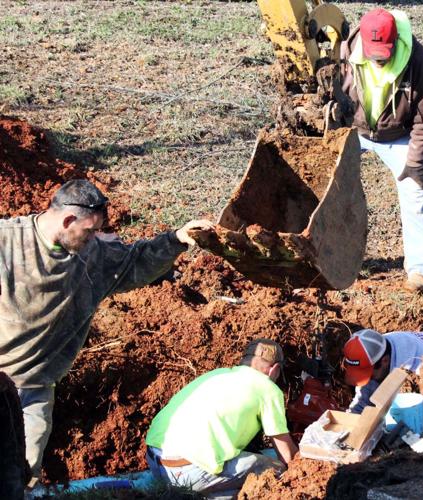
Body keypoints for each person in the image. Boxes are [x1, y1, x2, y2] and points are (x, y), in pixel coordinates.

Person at [0, 179, 213, 483]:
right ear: (68, 219)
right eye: (88, 230)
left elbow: (137, 261)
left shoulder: (93, 254)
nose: (93, 238)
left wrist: (177, 239)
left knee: (20, 475)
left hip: (35, 387)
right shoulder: (7, 241)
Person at [341, 8, 423, 293]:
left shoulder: (419, 62)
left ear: (396, 41)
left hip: (399, 135)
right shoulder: (346, 51)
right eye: (373, 53)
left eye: (383, 53)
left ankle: (420, 270)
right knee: (327, 188)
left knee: (416, 190)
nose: (378, 59)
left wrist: (415, 161)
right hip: (353, 130)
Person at [145, 338, 297, 499]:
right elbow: (286, 455)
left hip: (155, 462)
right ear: (275, 369)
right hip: (189, 471)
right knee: (276, 470)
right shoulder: (268, 389)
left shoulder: (217, 374)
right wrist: (307, 466)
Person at [343, 329, 423, 414]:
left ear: (385, 361)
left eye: (369, 374)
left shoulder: (417, 368)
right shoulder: (377, 348)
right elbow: (362, 400)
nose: (368, 380)